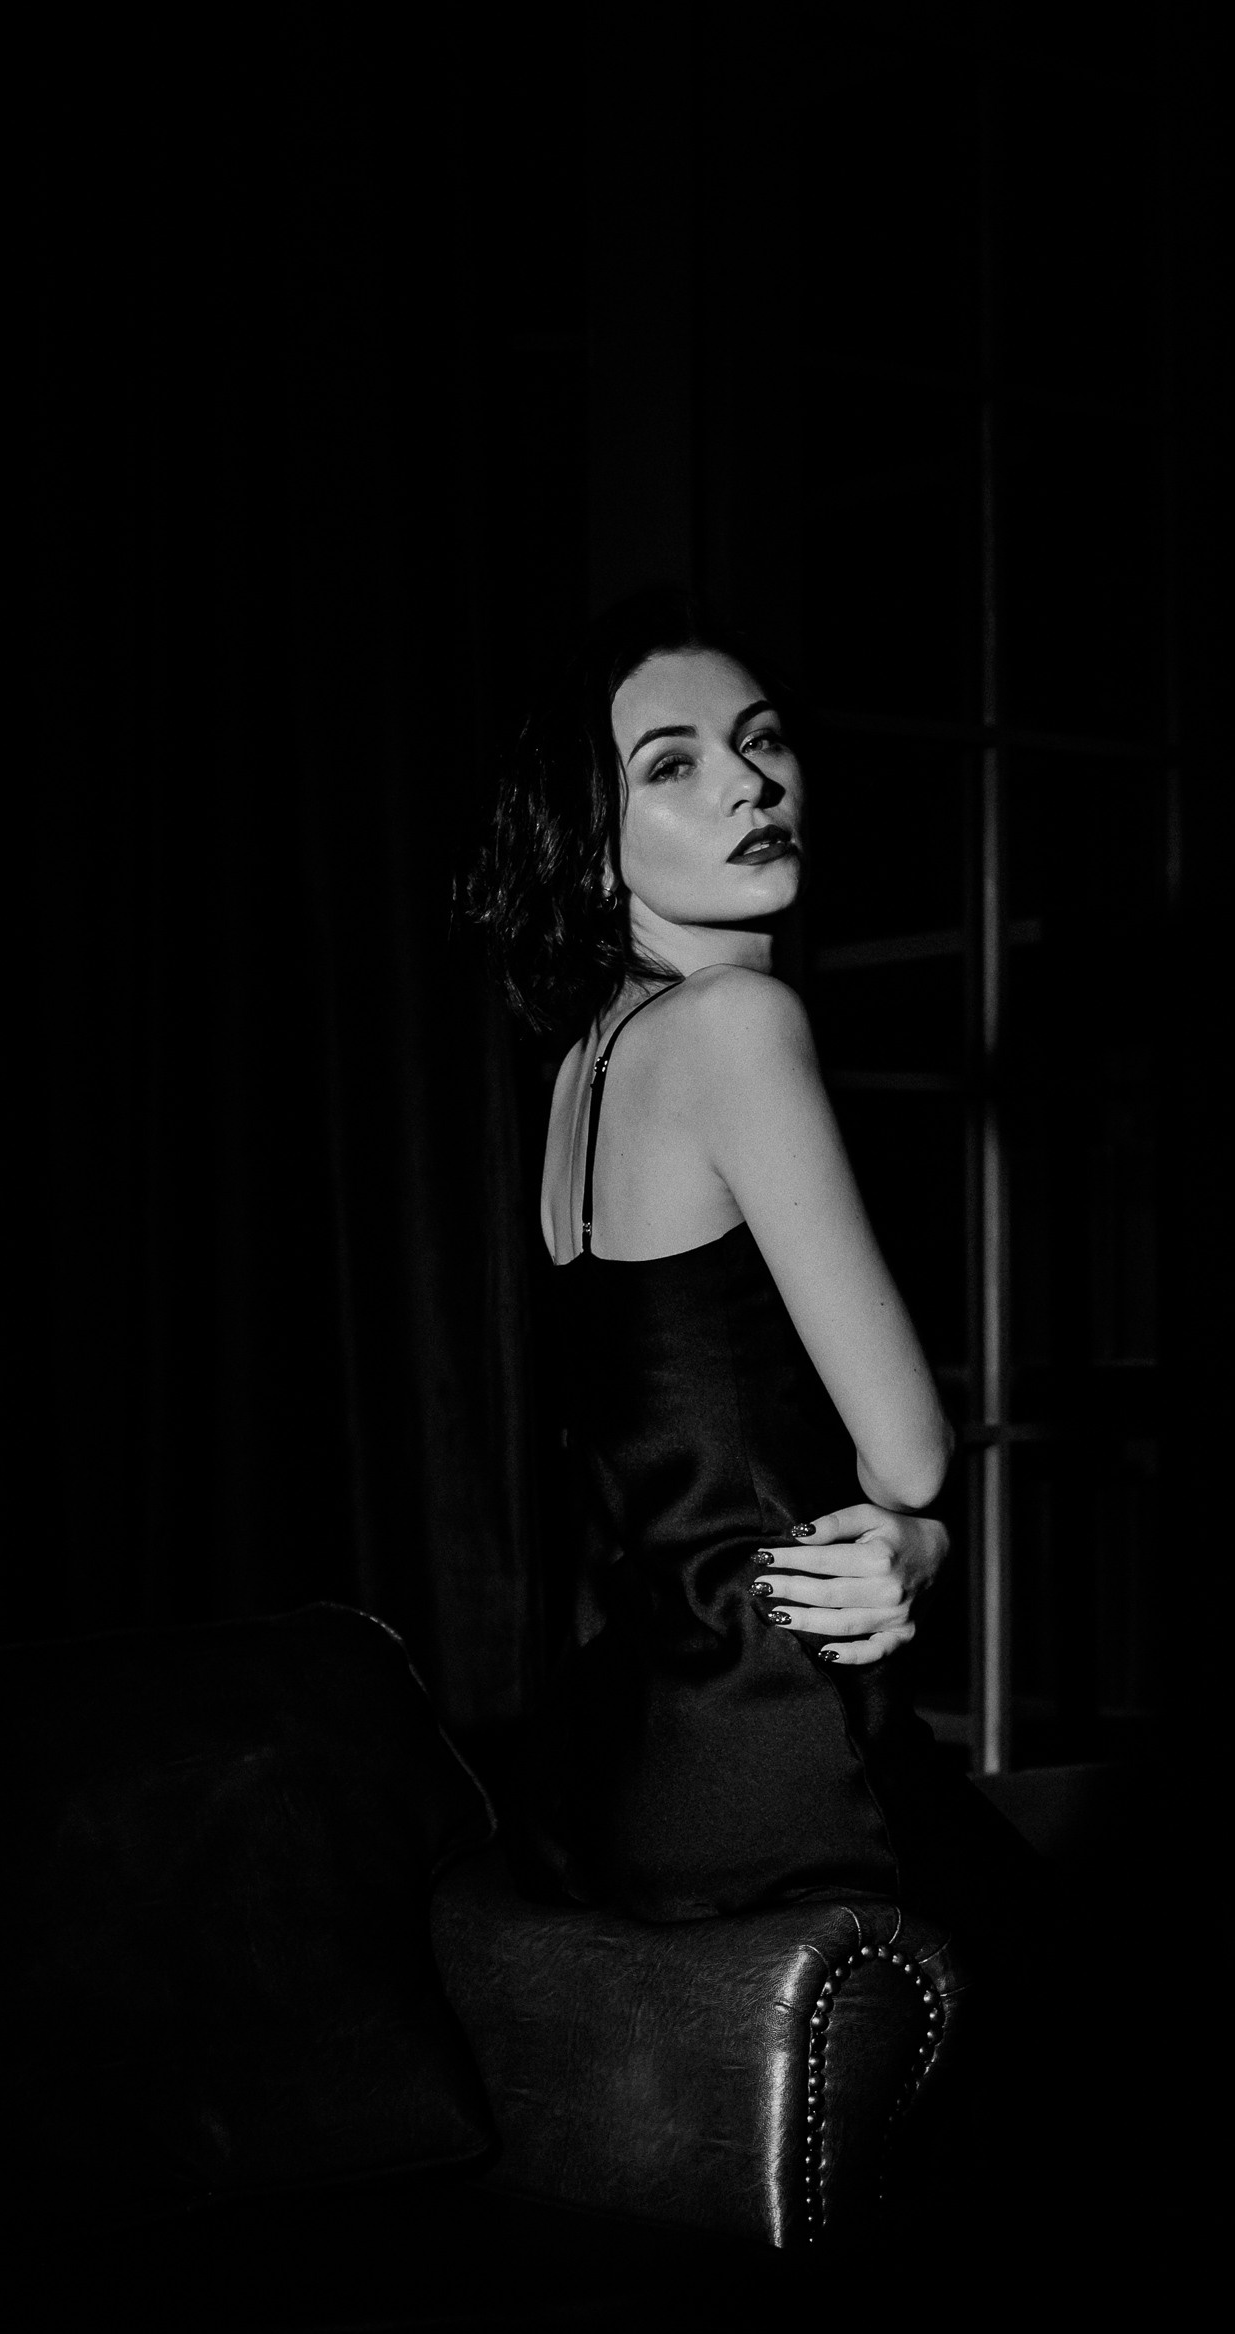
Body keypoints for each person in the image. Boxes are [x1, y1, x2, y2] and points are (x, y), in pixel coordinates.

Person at [465, 590, 1045, 1957]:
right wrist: (921, 1536)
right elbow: (909, 1457)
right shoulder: (736, 1024)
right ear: (589, 844)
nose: (749, 782)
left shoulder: (583, 1070)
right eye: (672, 764)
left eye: (763, 739)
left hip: (632, 1753)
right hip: (785, 1746)